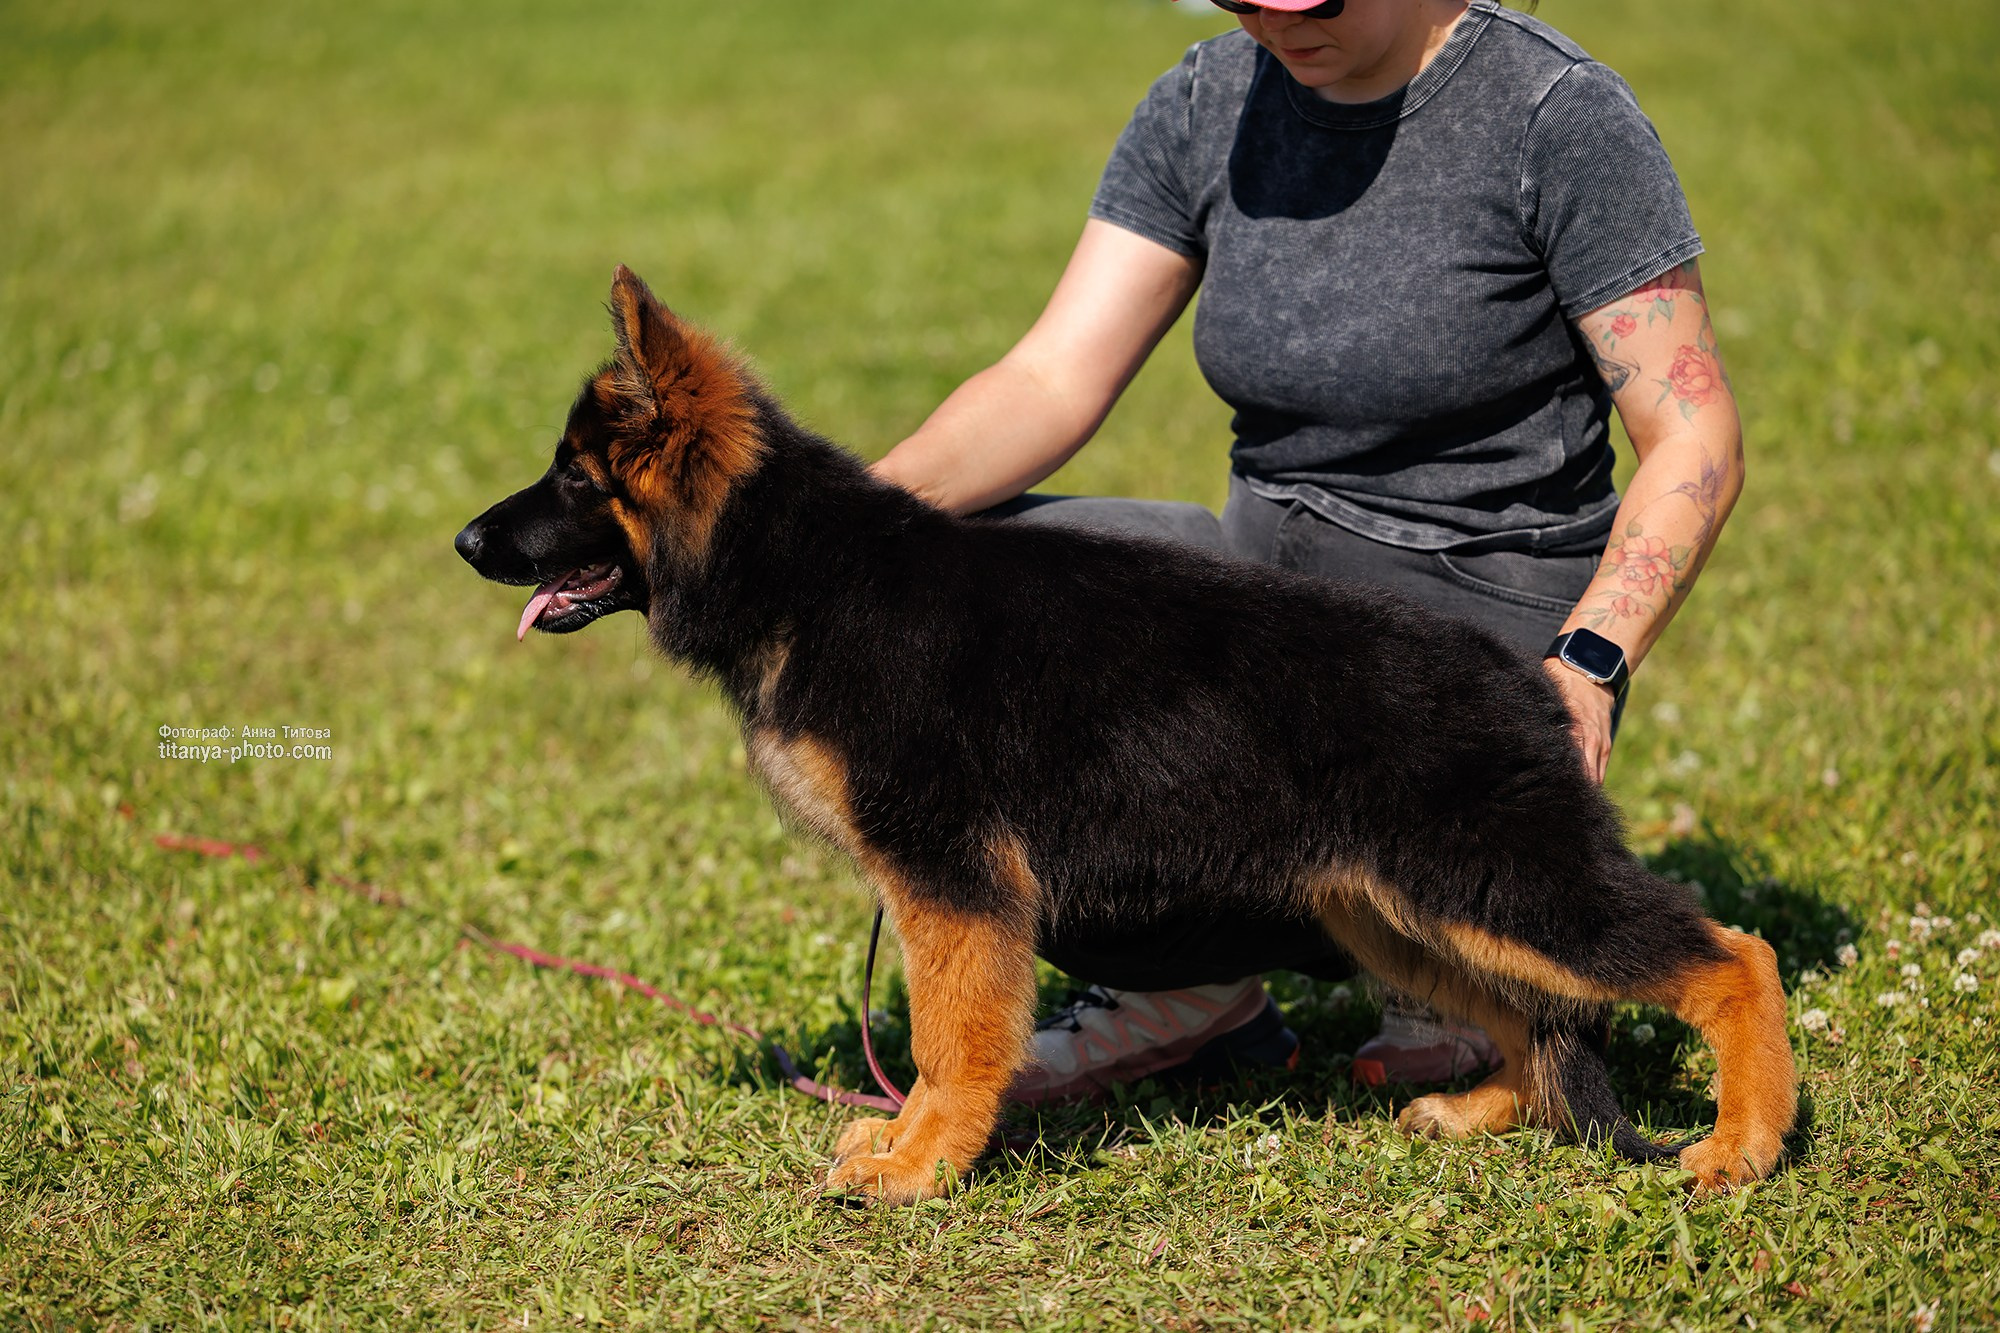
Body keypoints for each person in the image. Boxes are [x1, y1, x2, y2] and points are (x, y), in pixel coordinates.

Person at [872, 0, 1743, 1102]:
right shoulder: (1206, 101)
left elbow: (1692, 431)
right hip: (1270, 625)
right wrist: (851, 532)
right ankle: (1183, 990)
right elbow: (1049, 377)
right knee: (947, 597)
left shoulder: (1552, 115)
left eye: (1312, 1)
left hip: (1455, 650)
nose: (1277, 26)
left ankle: (1456, 967)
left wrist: (1591, 659)